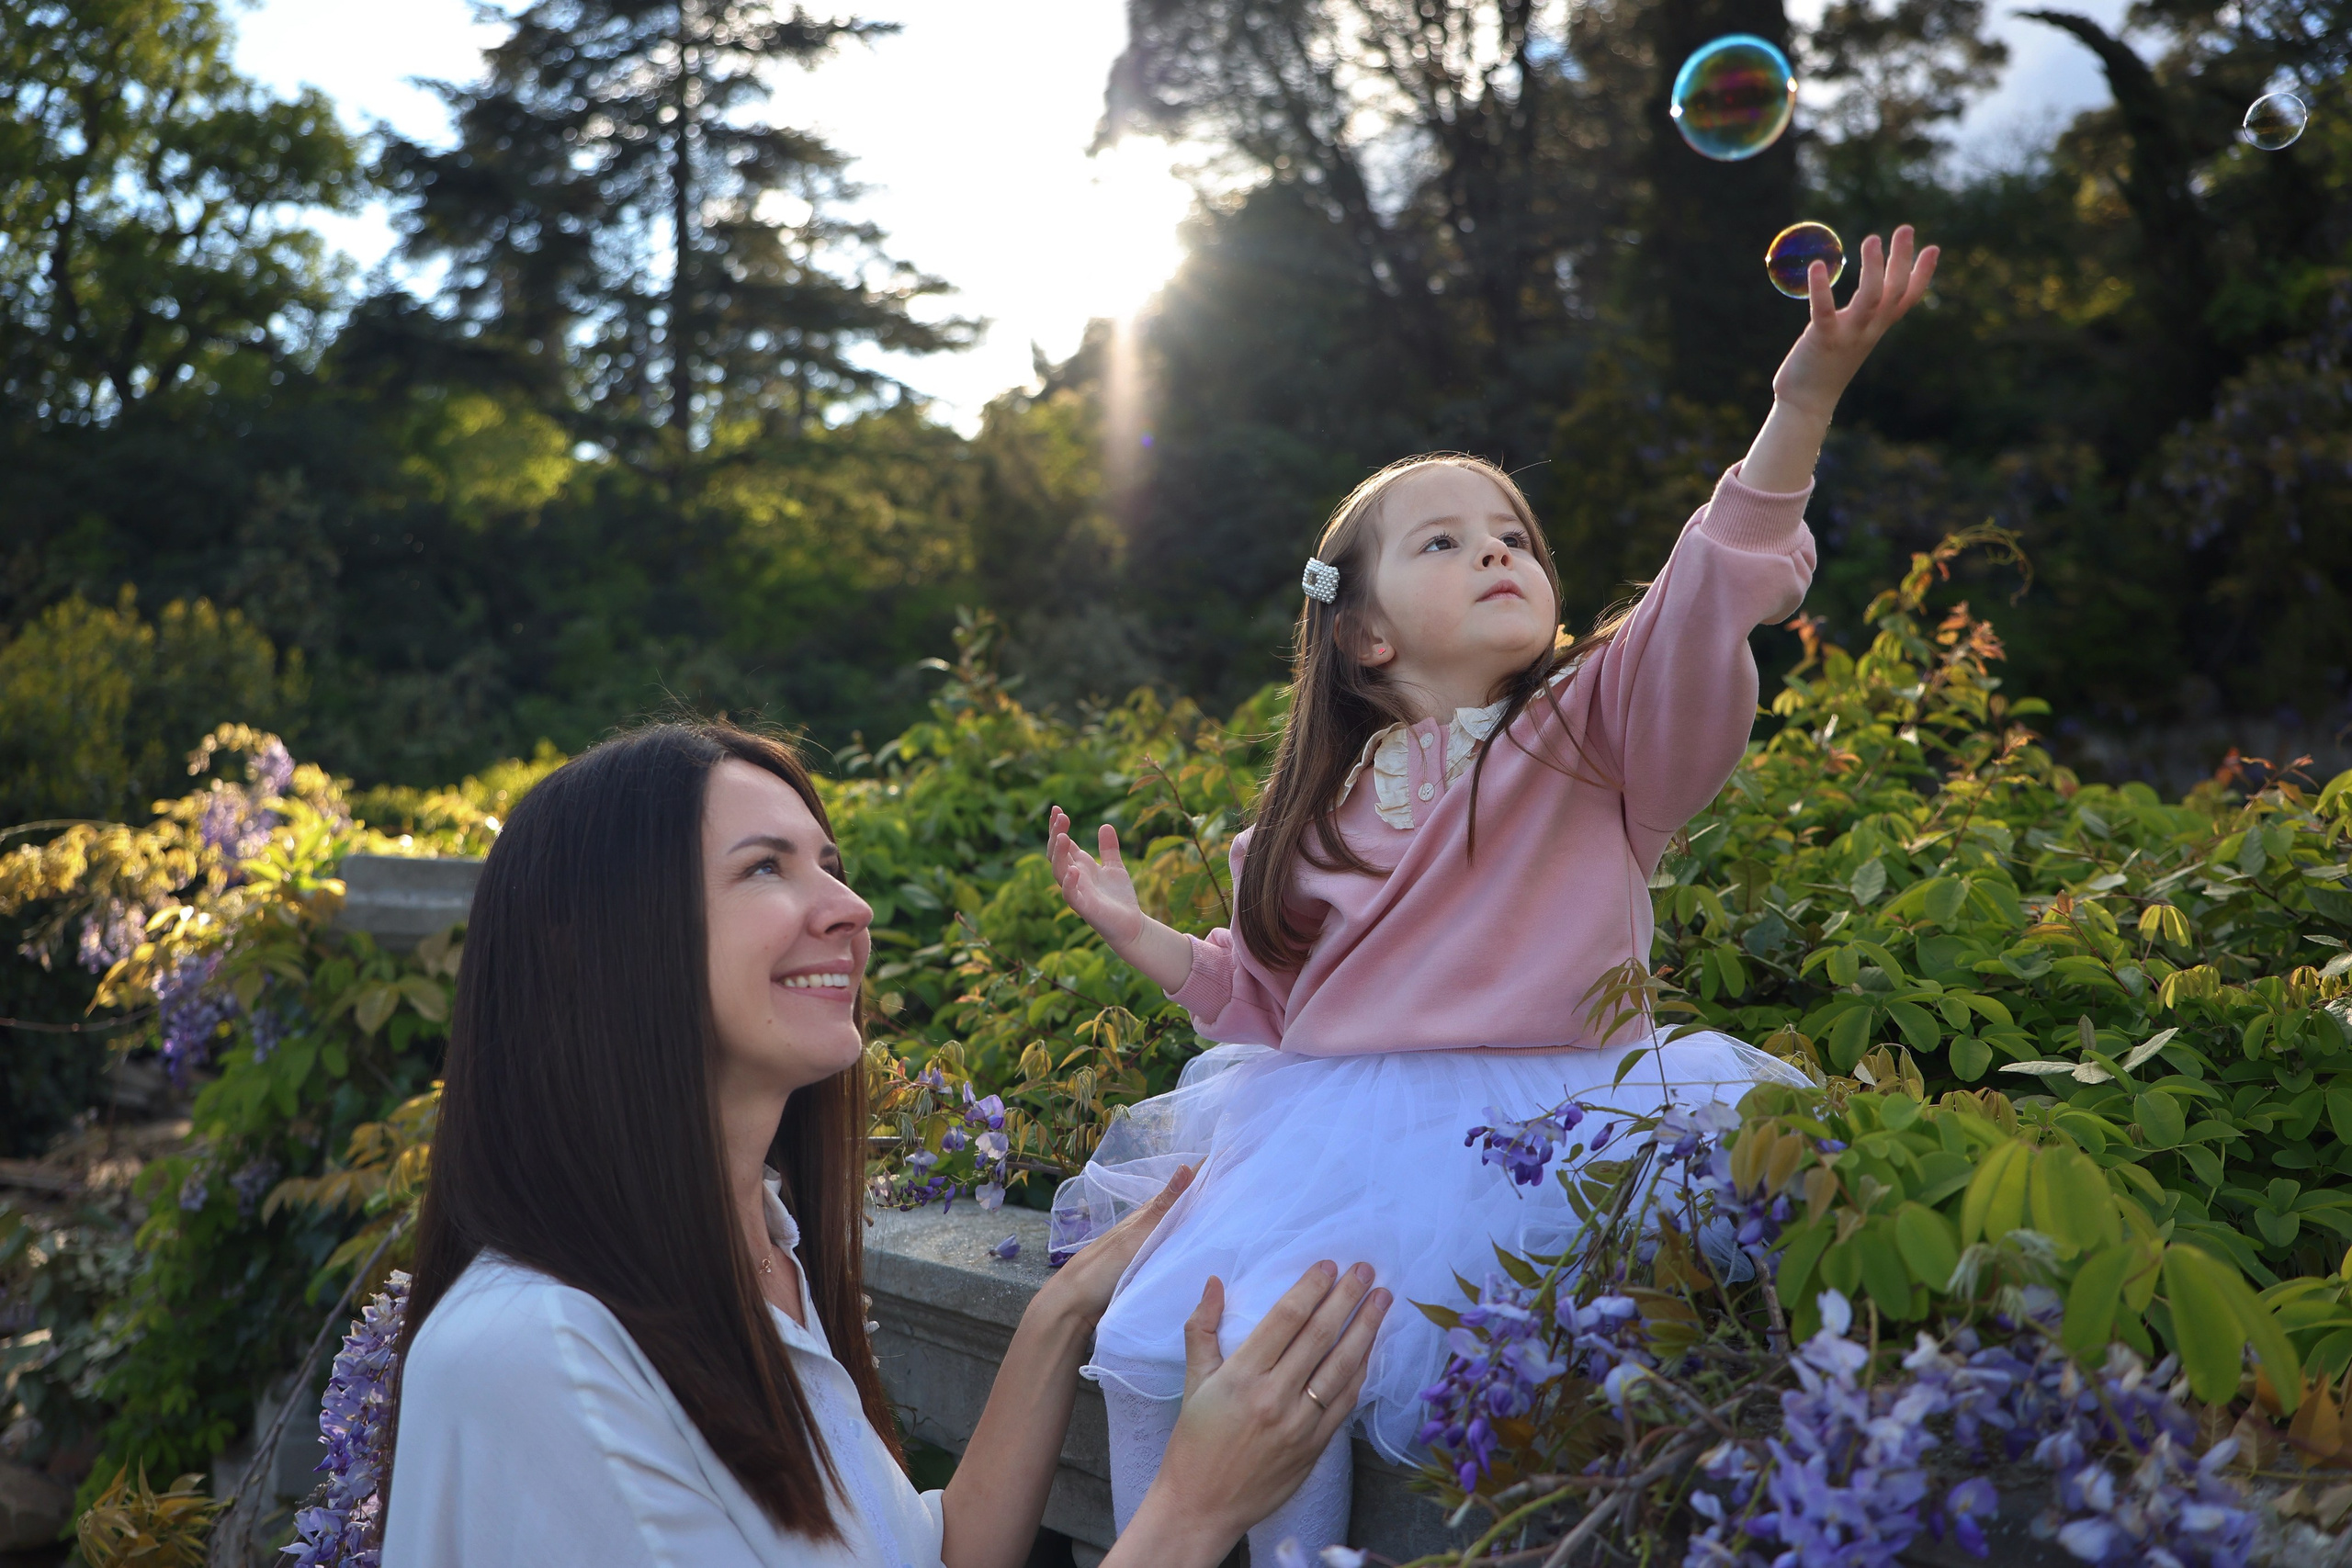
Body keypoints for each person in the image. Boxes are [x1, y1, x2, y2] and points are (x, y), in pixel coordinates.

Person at [1045, 229, 1942, 1557]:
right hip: (1327, 1137)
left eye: (1514, 534)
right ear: (1362, 631)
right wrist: (1148, 936)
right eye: (1447, 539)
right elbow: (1268, 1004)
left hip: (1541, 1129)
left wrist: (1800, 398)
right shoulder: (1302, 823)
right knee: (1145, 1335)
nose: (1499, 551)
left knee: (1315, 1358)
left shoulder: (1586, 727)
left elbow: (1702, 595)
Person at [380, 721, 1394, 1568]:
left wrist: (1060, 1310)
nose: (853, 910)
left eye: (829, 863)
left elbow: (927, 1553)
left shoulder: (756, 1263)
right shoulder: (542, 1355)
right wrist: (1190, 1513)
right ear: (608, 944)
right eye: (765, 868)